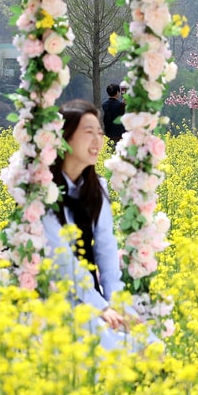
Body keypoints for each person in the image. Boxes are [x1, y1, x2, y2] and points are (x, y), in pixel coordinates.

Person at [42, 100, 129, 346]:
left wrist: (117, 305)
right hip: (54, 299)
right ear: (64, 137)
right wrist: (101, 307)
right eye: (88, 132)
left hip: (90, 295)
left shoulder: (97, 187)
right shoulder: (41, 190)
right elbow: (63, 261)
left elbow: (106, 249)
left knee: (149, 345)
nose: (97, 141)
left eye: (100, 133)